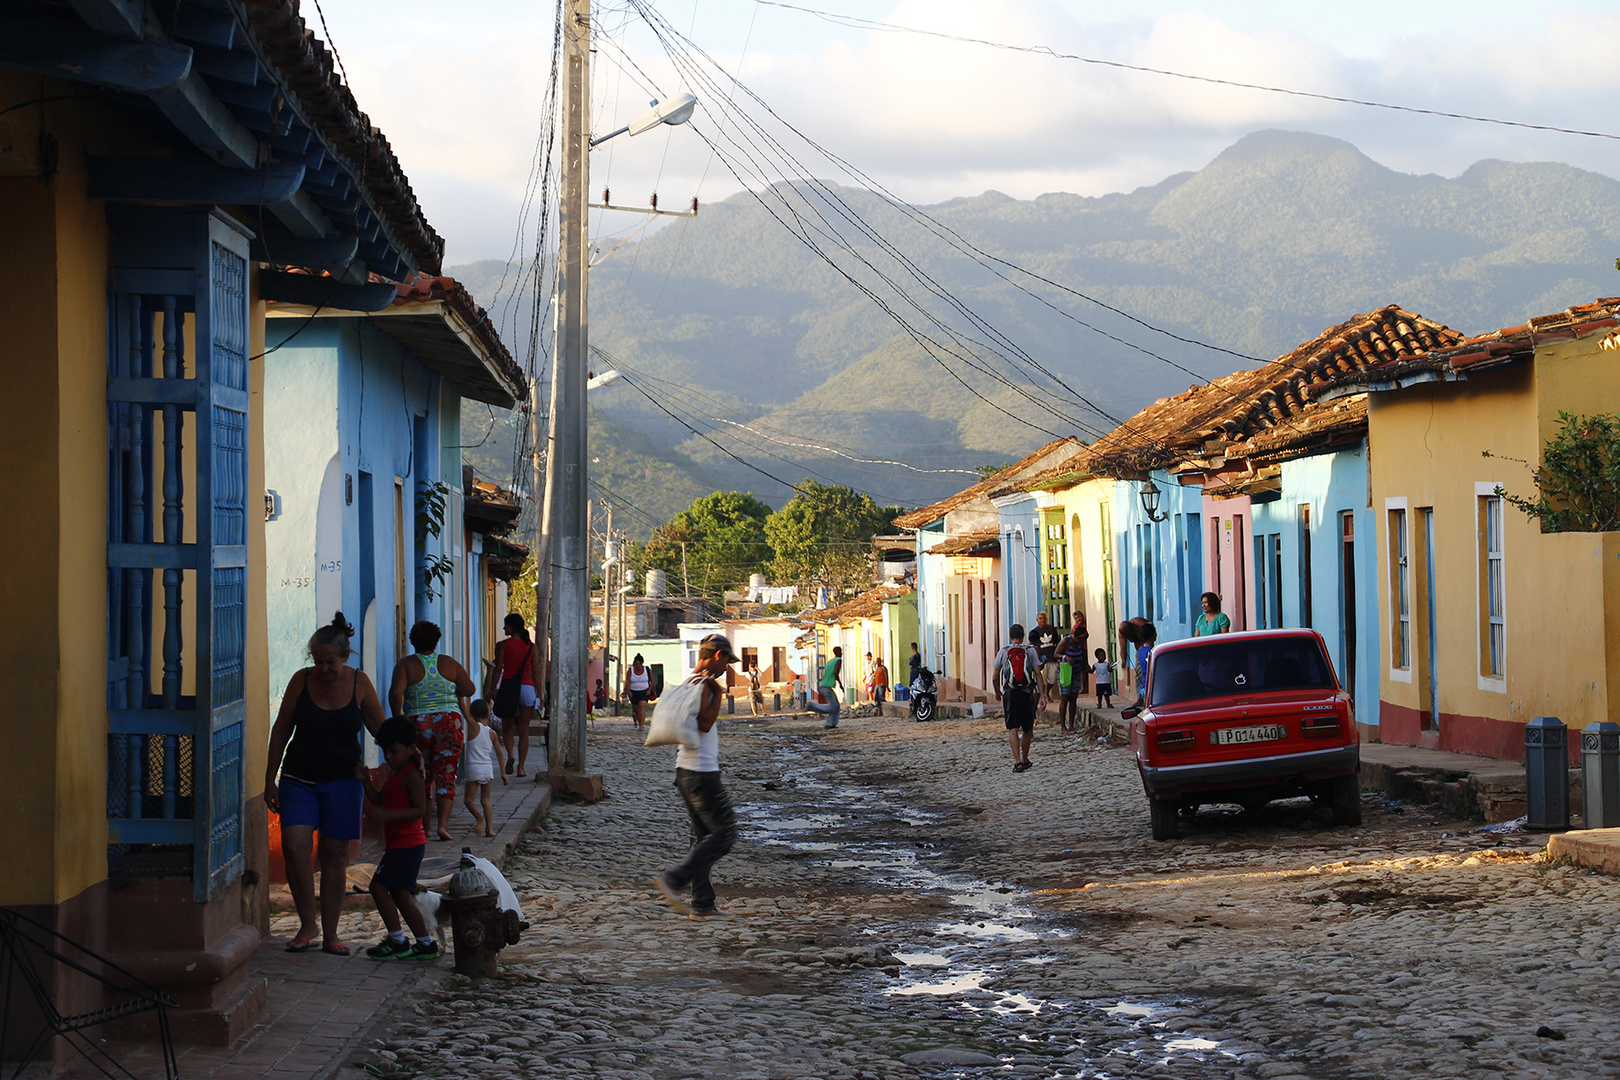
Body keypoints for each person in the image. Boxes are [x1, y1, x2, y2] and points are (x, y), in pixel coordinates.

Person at [264, 612, 386, 955]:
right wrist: (269, 778)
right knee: (295, 847)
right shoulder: (300, 682)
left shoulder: (360, 683)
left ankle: (331, 933)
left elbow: (381, 728)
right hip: (298, 779)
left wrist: (405, 755)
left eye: (330, 662)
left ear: (344, 657)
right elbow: (281, 731)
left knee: (334, 856)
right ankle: (307, 924)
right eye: (318, 661)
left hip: (343, 782)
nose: (324, 669)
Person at [653, 634, 740, 920]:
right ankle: (674, 880)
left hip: (685, 771)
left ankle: (703, 904)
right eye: (727, 661)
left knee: (702, 838)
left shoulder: (690, 681)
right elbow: (704, 725)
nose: (728, 667)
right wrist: (719, 694)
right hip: (702, 774)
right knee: (725, 834)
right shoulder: (705, 685)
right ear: (716, 655)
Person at [358, 718, 438, 961]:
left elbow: (419, 810)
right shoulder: (395, 773)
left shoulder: (412, 775)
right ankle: (424, 943)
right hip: (400, 844)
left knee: (378, 887)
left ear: (409, 748)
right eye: (385, 752)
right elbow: (380, 800)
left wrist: (389, 815)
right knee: (401, 895)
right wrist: (365, 780)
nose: (389, 757)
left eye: (394, 751)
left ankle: (397, 939)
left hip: (408, 843)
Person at [390, 620, 475, 842]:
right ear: (436, 641)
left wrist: (398, 719)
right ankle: (443, 826)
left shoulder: (405, 665)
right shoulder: (449, 663)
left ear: (412, 641)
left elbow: (396, 693)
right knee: (447, 775)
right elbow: (469, 688)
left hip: (417, 724)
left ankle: (425, 828)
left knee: (422, 774)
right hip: (449, 723)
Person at [493, 614, 542, 776]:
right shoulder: (531, 647)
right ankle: (521, 768)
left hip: (509, 688)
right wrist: (540, 693)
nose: (503, 628)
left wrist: (492, 689)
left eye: (506, 625)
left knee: (507, 728)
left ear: (512, 627)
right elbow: (535, 671)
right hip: (527, 689)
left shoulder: (503, 645)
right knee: (524, 730)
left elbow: (498, 668)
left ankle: (511, 755)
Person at [992, 623, 1040, 773]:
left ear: (1011, 636)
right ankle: (1025, 759)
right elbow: (1038, 674)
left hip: (1010, 693)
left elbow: (995, 676)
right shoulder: (1030, 651)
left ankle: (1017, 761)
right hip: (1026, 693)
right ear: (1023, 636)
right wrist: (1043, 695)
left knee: (1013, 727)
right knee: (1027, 728)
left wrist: (997, 692)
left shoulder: (1004, 652)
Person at [462, 699, 507, 838]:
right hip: (488, 769)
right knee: (486, 800)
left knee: (469, 800)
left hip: (474, 769)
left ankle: (478, 817)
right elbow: (500, 753)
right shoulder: (492, 733)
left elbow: (464, 712)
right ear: (488, 715)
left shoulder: (473, 727)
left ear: (473, 715)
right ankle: (489, 829)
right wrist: (503, 773)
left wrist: (459, 698)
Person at [1028, 612, 1062, 709]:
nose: (1042, 620)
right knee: (1042, 679)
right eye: (1040, 618)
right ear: (1037, 620)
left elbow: (1057, 641)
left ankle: (1047, 692)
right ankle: (1043, 696)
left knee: (1052, 678)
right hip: (1041, 660)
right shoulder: (1035, 631)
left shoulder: (1052, 629)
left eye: (1044, 618)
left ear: (1046, 619)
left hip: (1052, 658)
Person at [807, 646, 843, 729]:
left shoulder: (830, 661)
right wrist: (840, 683)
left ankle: (830, 724)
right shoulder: (838, 660)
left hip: (824, 684)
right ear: (837, 652)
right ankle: (812, 706)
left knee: (836, 706)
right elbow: (835, 672)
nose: (841, 653)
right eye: (840, 652)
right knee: (833, 706)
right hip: (827, 686)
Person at [1055, 631, 1083, 733]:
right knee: (1064, 698)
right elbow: (1056, 654)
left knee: (1073, 698)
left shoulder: (1081, 644)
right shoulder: (1066, 641)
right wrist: (1065, 657)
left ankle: (1071, 725)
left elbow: (1083, 657)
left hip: (1076, 672)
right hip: (1065, 673)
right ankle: (1063, 726)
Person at [624, 654, 654, 731]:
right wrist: (628, 691)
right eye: (636, 664)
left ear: (641, 664)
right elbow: (627, 681)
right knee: (636, 709)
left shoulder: (647, 669)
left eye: (639, 664)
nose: (637, 666)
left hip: (644, 691)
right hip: (633, 692)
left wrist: (649, 690)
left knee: (642, 707)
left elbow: (652, 681)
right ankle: (640, 722)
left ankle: (641, 726)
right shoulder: (630, 670)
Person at [1136, 624, 1158, 704]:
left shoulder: (1140, 650)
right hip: (1152, 688)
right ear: (1154, 634)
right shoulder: (1152, 651)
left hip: (1143, 686)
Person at [1070, 613, 1091, 694]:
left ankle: (1085, 687)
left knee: (1086, 667)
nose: (1078, 619)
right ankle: (1082, 687)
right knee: (1081, 669)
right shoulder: (1075, 628)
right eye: (1076, 618)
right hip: (1080, 650)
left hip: (1087, 648)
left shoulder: (1087, 624)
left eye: (1079, 617)